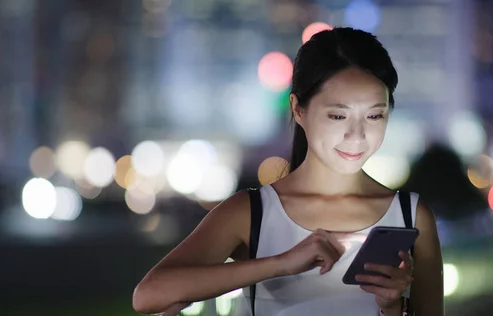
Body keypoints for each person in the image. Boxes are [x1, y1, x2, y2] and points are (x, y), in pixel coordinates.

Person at [133, 27, 444, 316]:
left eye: (375, 115)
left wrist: (391, 307)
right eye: (338, 116)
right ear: (298, 109)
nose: (357, 134)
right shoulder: (253, 211)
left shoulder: (411, 215)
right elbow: (149, 295)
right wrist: (280, 264)